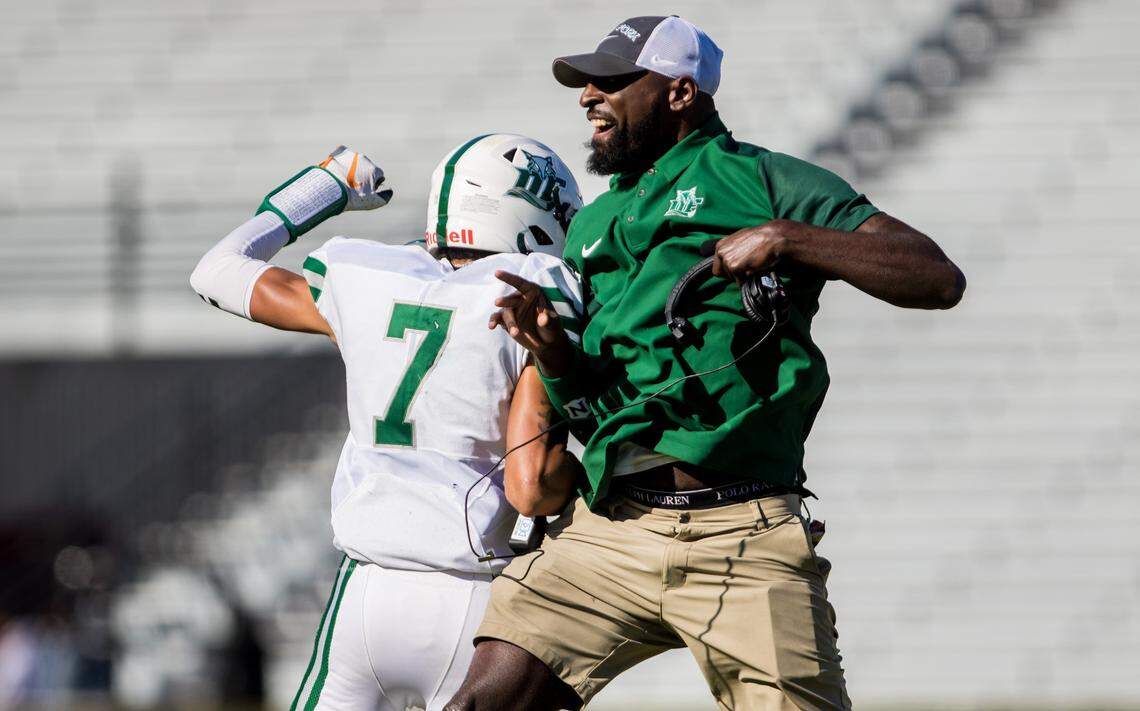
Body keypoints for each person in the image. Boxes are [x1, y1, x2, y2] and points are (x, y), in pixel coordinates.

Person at [447, 16, 966, 711]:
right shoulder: (593, 224)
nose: (588, 95)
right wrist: (553, 350)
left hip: (742, 532)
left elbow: (936, 276)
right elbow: (591, 404)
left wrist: (788, 237)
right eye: (588, 82)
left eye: (613, 79)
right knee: (482, 703)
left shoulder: (766, 180)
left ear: (681, 93)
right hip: (609, 526)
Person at [189, 135, 586, 711]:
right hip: (479, 601)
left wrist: (323, 188)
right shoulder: (532, 298)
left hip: (366, 593)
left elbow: (216, 271)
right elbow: (532, 486)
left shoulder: (368, 278)